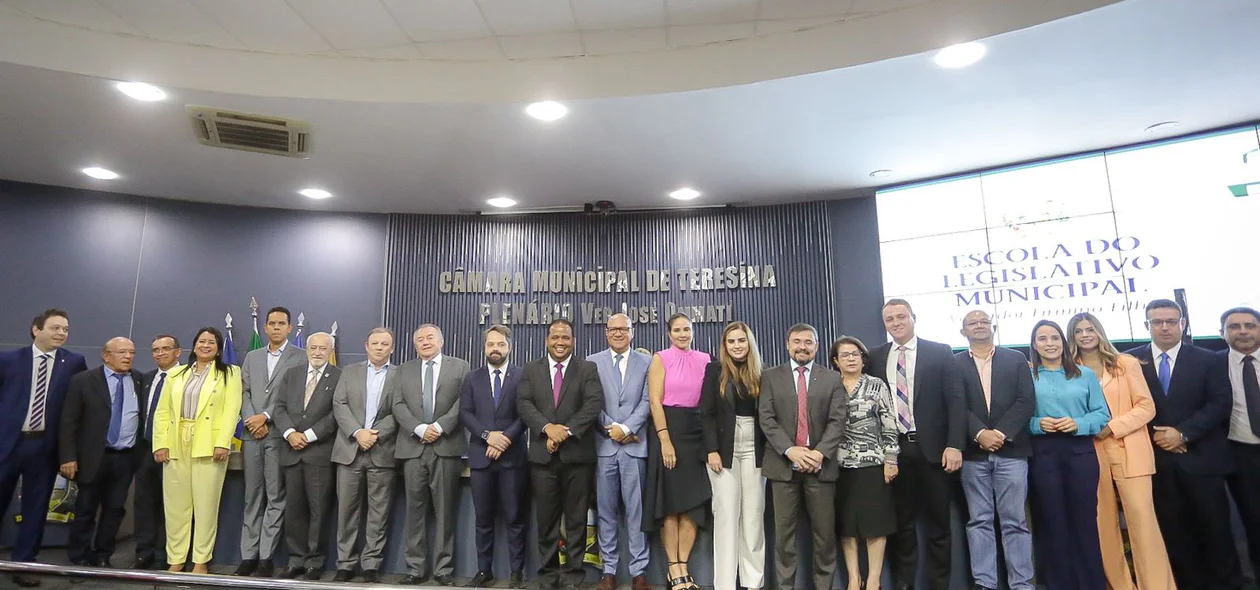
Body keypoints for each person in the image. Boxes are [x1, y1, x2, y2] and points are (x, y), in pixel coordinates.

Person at [1126, 299, 1241, 590]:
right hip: (1157, 465)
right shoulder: (1128, 361)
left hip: (1202, 461)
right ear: (1146, 325)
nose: (1164, 327)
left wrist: (1182, 434)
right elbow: (1125, 406)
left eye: (1171, 321)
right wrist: (1160, 436)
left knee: (1216, 535)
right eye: (1157, 322)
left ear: (1183, 324)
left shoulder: (1209, 359)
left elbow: (1220, 403)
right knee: (1174, 537)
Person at [1067, 312, 1175, 590]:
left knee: (1142, 522)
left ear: (1100, 332)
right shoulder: (1069, 370)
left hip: (1130, 451)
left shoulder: (1125, 363)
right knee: (1103, 526)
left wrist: (1112, 427)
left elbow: (1146, 406)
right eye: (1078, 331)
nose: (1085, 335)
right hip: (1090, 454)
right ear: (1072, 337)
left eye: (1090, 329)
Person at [868, 299, 965, 590]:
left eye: (901, 317)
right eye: (889, 319)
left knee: (938, 526)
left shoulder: (939, 352)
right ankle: (903, 583)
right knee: (901, 524)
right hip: (894, 452)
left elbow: (956, 401)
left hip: (934, 450)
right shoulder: (875, 356)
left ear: (913, 318)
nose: (896, 323)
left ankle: (939, 585)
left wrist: (955, 444)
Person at [0, 309, 87, 588]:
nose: (62, 333)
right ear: (36, 329)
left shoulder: (74, 362)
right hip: (6, 445)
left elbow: (77, 408)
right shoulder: (8, 359)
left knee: (36, 509)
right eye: (56, 328)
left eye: (65, 329)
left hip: (44, 447)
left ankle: (24, 563)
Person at [516, 318, 604, 590]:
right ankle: (548, 575)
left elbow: (593, 404)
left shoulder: (587, 368)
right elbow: (524, 403)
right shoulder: (531, 369)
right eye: (555, 337)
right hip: (543, 459)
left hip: (578, 457)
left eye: (565, 337)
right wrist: (547, 429)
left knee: (577, 520)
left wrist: (563, 433)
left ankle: (573, 576)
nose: (560, 342)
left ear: (573, 341)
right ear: (547, 340)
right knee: (547, 521)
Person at [759, 323, 847, 590]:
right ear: (787, 344)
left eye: (808, 342)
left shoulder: (832, 378)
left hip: (821, 467)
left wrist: (819, 453)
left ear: (817, 346)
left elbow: (837, 420)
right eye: (796, 341)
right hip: (783, 467)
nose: (802, 347)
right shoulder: (770, 376)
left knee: (824, 537)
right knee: (784, 537)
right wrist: (791, 450)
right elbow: (766, 418)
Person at [952, 311, 1036, 590]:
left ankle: (1022, 584)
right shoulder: (954, 364)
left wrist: (999, 434)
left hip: (1011, 452)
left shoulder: (1015, 359)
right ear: (963, 332)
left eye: (983, 322)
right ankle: (985, 583)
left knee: (1015, 521)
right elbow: (954, 406)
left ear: (993, 327)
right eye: (972, 323)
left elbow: (1026, 401)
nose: (978, 326)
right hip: (973, 454)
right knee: (979, 521)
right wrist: (979, 433)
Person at [152, 327, 243, 574]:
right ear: (193, 346)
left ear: (218, 348)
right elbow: (162, 412)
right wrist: (160, 443)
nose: (205, 345)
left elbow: (231, 409)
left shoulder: (229, 373)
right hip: (175, 442)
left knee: (205, 505)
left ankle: (201, 561)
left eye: (211, 342)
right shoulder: (177, 374)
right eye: (201, 341)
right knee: (176, 506)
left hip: (209, 444)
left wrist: (223, 442)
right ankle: (176, 559)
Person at [1027, 319, 1109, 590]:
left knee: (1085, 521)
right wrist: (1037, 424)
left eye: (1054, 338)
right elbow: (1017, 417)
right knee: (1052, 521)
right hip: (1043, 454)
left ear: (1063, 342)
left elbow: (1102, 413)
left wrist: (1079, 423)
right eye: (1042, 339)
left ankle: (1091, 584)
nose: (1049, 343)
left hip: (1080, 452)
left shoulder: (1084, 374)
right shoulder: (1027, 376)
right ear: (1034, 345)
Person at [394, 324, 470, 586]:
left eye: (429, 338)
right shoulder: (403, 370)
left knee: (445, 512)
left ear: (442, 341)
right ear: (415, 344)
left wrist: (438, 427)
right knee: (414, 512)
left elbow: (464, 402)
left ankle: (443, 569)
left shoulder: (460, 367)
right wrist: (419, 428)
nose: (424, 342)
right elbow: (398, 404)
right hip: (413, 448)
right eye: (419, 339)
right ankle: (415, 568)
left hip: (446, 447)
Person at [59, 337, 144, 569]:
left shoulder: (138, 380)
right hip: (93, 457)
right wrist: (68, 456)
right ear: (106, 355)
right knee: (85, 509)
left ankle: (103, 554)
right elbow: (68, 421)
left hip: (125, 458)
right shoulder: (83, 381)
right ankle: (79, 557)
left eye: (132, 352)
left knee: (115, 509)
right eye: (122, 352)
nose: (128, 356)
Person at [644, 313, 713, 590]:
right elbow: (654, 402)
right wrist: (665, 440)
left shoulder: (706, 359)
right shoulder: (660, 358)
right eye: (677, 330)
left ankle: (684, 565)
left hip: (697, 433)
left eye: (687, 329)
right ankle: (674, 569)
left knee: (693, 506)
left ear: (692, 331)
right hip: (669, 430)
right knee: (671, 506)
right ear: (669, 334)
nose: (683, 334)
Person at [237, 306, 305, 578]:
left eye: (281, 323)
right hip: (251, 435)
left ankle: (266, 557)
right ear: (265, 328)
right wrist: (251, 418)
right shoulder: (252, 356)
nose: (276, 327)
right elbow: (244, 391)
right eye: (272, 323)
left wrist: (265, 416)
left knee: (276, 497)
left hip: (278, 435)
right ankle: (247, 556)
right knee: (252, 498)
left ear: (290, 328)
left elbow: (294, 396)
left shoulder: (300, 357)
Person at [700, 321, 767, 590]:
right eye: (731, 341)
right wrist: (711, 450)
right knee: (726, 516)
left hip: (755, 446)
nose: (737, 346)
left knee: (753, 516)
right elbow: (705, 414)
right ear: (724, 346)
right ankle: (725, 585)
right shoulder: (714, 370)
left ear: (749, 342)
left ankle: (753, 583)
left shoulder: (763, 372)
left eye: (741, 340)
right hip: (723, 448)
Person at [461, 325, 529, 589]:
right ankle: (483, 571)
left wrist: (504, 439)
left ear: (509, 347)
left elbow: (526, 415)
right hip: (481, 458)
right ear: (485, 347)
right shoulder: (472, 378)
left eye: (500, 344)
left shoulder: (522, 377)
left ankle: (516, 574)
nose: (495, 349)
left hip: (513, 460)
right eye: (491, 344)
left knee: (515, 518)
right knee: (483, 519)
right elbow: (465, 413)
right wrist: (489, 435)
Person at [331, 327, 400, 584]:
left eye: (385, 344)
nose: (380, 347)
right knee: (347, 511)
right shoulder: (350, 372)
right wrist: (357, 432)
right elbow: (339, 404)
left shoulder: (399, 374)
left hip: (382, 451)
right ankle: (345, 564)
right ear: (366, 346)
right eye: (375, 343)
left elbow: (400, 410)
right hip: (349, 450)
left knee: (378, 513)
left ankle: (371, 564)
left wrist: (375, 434)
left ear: (391, 348)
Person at [589, 314, 652, 590]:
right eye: (613, 329)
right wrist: (611, 428)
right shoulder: (592, 362)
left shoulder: (648, 363)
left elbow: (649, 400)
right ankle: (609, 571)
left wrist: (626, 428)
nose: (618, 333)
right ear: (606, 332)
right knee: (606, 511)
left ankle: (639, 572)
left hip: (635, 447)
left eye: (623, 329)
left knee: (637, 513)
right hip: (604, 447)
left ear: (632, 332)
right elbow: (590, 401)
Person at [272, 332, 342, 581]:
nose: (317, 352)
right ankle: (295, 559)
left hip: (318, 452)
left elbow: (337, 414)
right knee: (294, 509)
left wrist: (309, 435)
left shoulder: (339, 377)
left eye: (323, 348)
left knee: (319, 509)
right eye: (313, 347)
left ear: (330, 351)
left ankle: (315, 561)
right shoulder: (292, 374)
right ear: (307, 349)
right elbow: (278, 408)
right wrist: (290, 433)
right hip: (291, 451)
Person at [831, 336, 898, 590]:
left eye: (855, 354)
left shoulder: (876, 385)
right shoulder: (830, 385)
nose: (850, 358)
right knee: (846, 525)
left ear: (863, 358)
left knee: (874, 524)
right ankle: (853, 578)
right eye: (845, 355)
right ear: (836, 361)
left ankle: (873, 580)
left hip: (873, 463)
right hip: (839, 465)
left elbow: (889, 423)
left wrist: (891, 459)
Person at [132, 335, 181, 570]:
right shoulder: (147, 378)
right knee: (143, 502)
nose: (160, 354)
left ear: (177, 352)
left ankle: (164, 553)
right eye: (155, 350)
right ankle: (144, 551)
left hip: (174, 450)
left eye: (165, 349)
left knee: (169, 505)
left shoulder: (186, 377)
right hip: (145, 450)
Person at [1219, 306, 1260, 580]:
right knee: (1254, 522)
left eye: (1250, 325)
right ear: (1223, 333)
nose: (1243, 331)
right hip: (1240, 454)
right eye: (1235, 326)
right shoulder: (1210, 365)